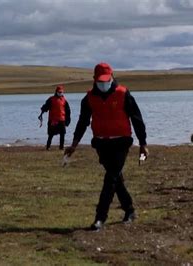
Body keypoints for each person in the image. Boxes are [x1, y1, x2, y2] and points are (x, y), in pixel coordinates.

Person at [64, 62, 148, 231]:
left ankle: (100, 218)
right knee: (115, 178)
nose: (103, 84)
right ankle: (129, 210)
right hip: (101, 143)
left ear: (112, 77)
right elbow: (82, 122)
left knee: (110, 178)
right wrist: (74, 144)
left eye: (106, 80)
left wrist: (143, 143)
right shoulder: (88, 98)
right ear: (95, 80)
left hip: (121, 141)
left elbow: (137, 119)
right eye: (100, 81)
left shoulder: (124, 94)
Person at [38, 85, 71, 150]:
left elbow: (68, 111)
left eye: (61, 92)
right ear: (56, 92)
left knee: (63, 134)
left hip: (62, 120)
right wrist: (43, 110)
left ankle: (61, 147)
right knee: (50, 134)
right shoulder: (51, 99)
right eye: (59, 92)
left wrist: (68, 120)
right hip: (53, 120)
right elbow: (46, 106)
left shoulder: (64, 101)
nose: (60, 93)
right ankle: (48, 147)